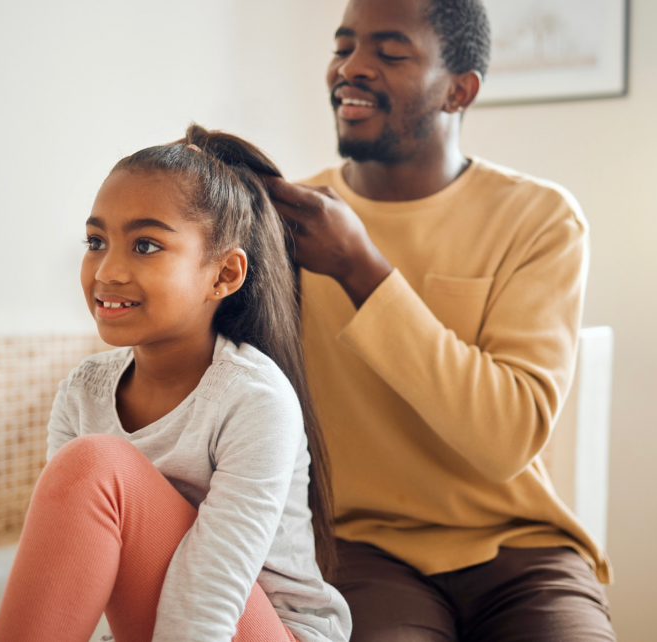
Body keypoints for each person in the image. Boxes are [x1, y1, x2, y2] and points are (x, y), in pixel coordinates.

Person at [262, 0, 616, 640]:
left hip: (521, 549)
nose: (352, 68)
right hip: (359, 547)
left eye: (390, 53)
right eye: (344, 47)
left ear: (460, 91)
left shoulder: (540, 220)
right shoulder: (289, 222)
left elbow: (506, 437)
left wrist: (360, 268)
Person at [0, 125, 353, 642]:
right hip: (176, 625)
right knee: (91, 466)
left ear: (224, 275)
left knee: (99, 464)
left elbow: (209, 593)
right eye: (96, 241)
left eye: (145, 245)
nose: (107, 271)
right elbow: (81, 571)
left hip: (270, 629)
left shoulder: (254, 399)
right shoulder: (82, 393)